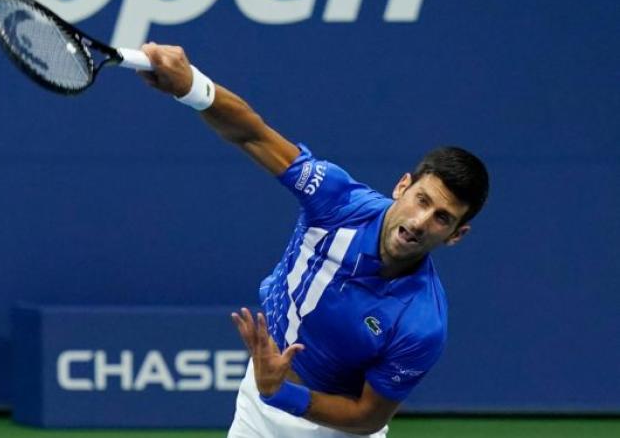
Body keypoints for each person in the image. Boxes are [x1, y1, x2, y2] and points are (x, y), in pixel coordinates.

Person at [137, 43, 489, 438]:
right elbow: (252, 134)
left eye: (442, 218)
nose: (421, 222)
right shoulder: (337, 200)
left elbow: (368, 416)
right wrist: (190, 86)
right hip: (260, 403)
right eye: (422, 200)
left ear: (456, 236)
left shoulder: (423, 322)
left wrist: (282, 394)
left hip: (335, 428)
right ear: (402, 186)